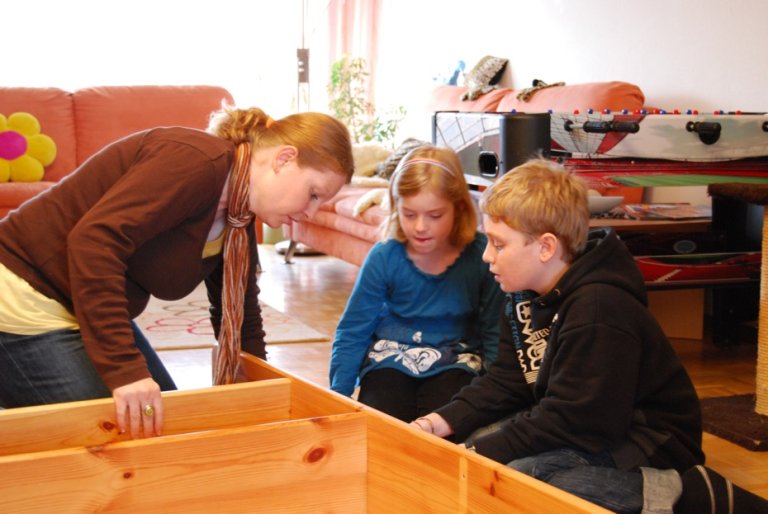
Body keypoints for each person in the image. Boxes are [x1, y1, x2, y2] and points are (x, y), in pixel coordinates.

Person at [0, 106, 354, 439]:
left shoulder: (237, 219)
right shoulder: (196, 161)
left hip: (76, 304)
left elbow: (241, 317)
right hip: (25, 297)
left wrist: (261, 395)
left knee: (168, 428)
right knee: (130, 438)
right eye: (312, 194)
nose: (311, 212)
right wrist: (125, 371)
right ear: (284, 159)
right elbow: (94, 242)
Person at [410, 159, 707, 513]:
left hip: (650, 442)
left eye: (499, 244)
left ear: (546, 248)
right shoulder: (521, 292)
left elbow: (578, 422)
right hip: (586, 426)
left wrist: (476, 455)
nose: (487, 256)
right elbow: (507, 381)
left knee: (529, 482)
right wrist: (435, 423)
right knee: (485, 451)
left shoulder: (599, 309)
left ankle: (690, 497)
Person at [329, 145, 504, 424]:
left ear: (459, 208)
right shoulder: (385, 255)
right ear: (395, 206)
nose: (420, 227)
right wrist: (337, 395)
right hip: (389, 360)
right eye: (409, 214)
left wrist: (498, 398)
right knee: (381, 422)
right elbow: (353, 329)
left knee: (447, 424)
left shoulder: (482, 256)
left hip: (457, 362)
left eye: (435, 216)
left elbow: (495, 330)